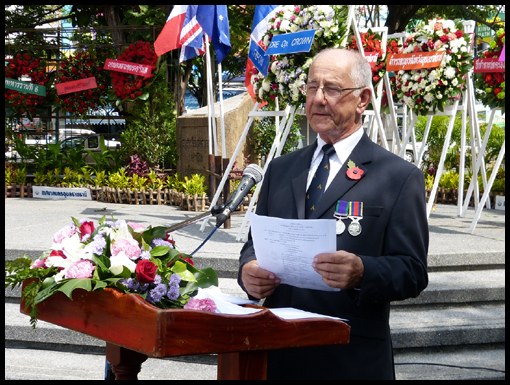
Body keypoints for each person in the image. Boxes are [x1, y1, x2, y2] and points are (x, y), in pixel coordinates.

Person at [238, 48, 429, 380]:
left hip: (349, 359)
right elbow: (255, 245)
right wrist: (249, 271)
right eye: (312, 87)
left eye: (333, 89)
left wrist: (362, 271)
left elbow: (412, 272)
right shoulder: (282, 169)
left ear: (362, 99)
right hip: (278, 356)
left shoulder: (397, 177)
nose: (319, 99)